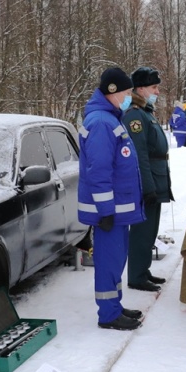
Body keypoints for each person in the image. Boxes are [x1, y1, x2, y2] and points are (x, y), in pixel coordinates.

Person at [77, 68, 146, 330]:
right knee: (108, 262)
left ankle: (114, 306)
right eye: (127, 93)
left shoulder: (110, 118)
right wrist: (105, 210)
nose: (130, 97)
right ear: (113, 92)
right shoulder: (102, 123)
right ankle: (108, 315)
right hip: (109, 212)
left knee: (116, 260)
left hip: (118, 209)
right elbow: (100, 171)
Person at [124, 66, 174, 292]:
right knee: (142, 231)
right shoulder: (135, 115)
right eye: (154, 87)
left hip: (156, 176)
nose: (157, 91)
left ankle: (143, 270)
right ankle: (136, 276)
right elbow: (140, 154)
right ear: (141, 89)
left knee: (151, 229)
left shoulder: (146, 112)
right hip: (148, 180)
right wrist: (147, 187)